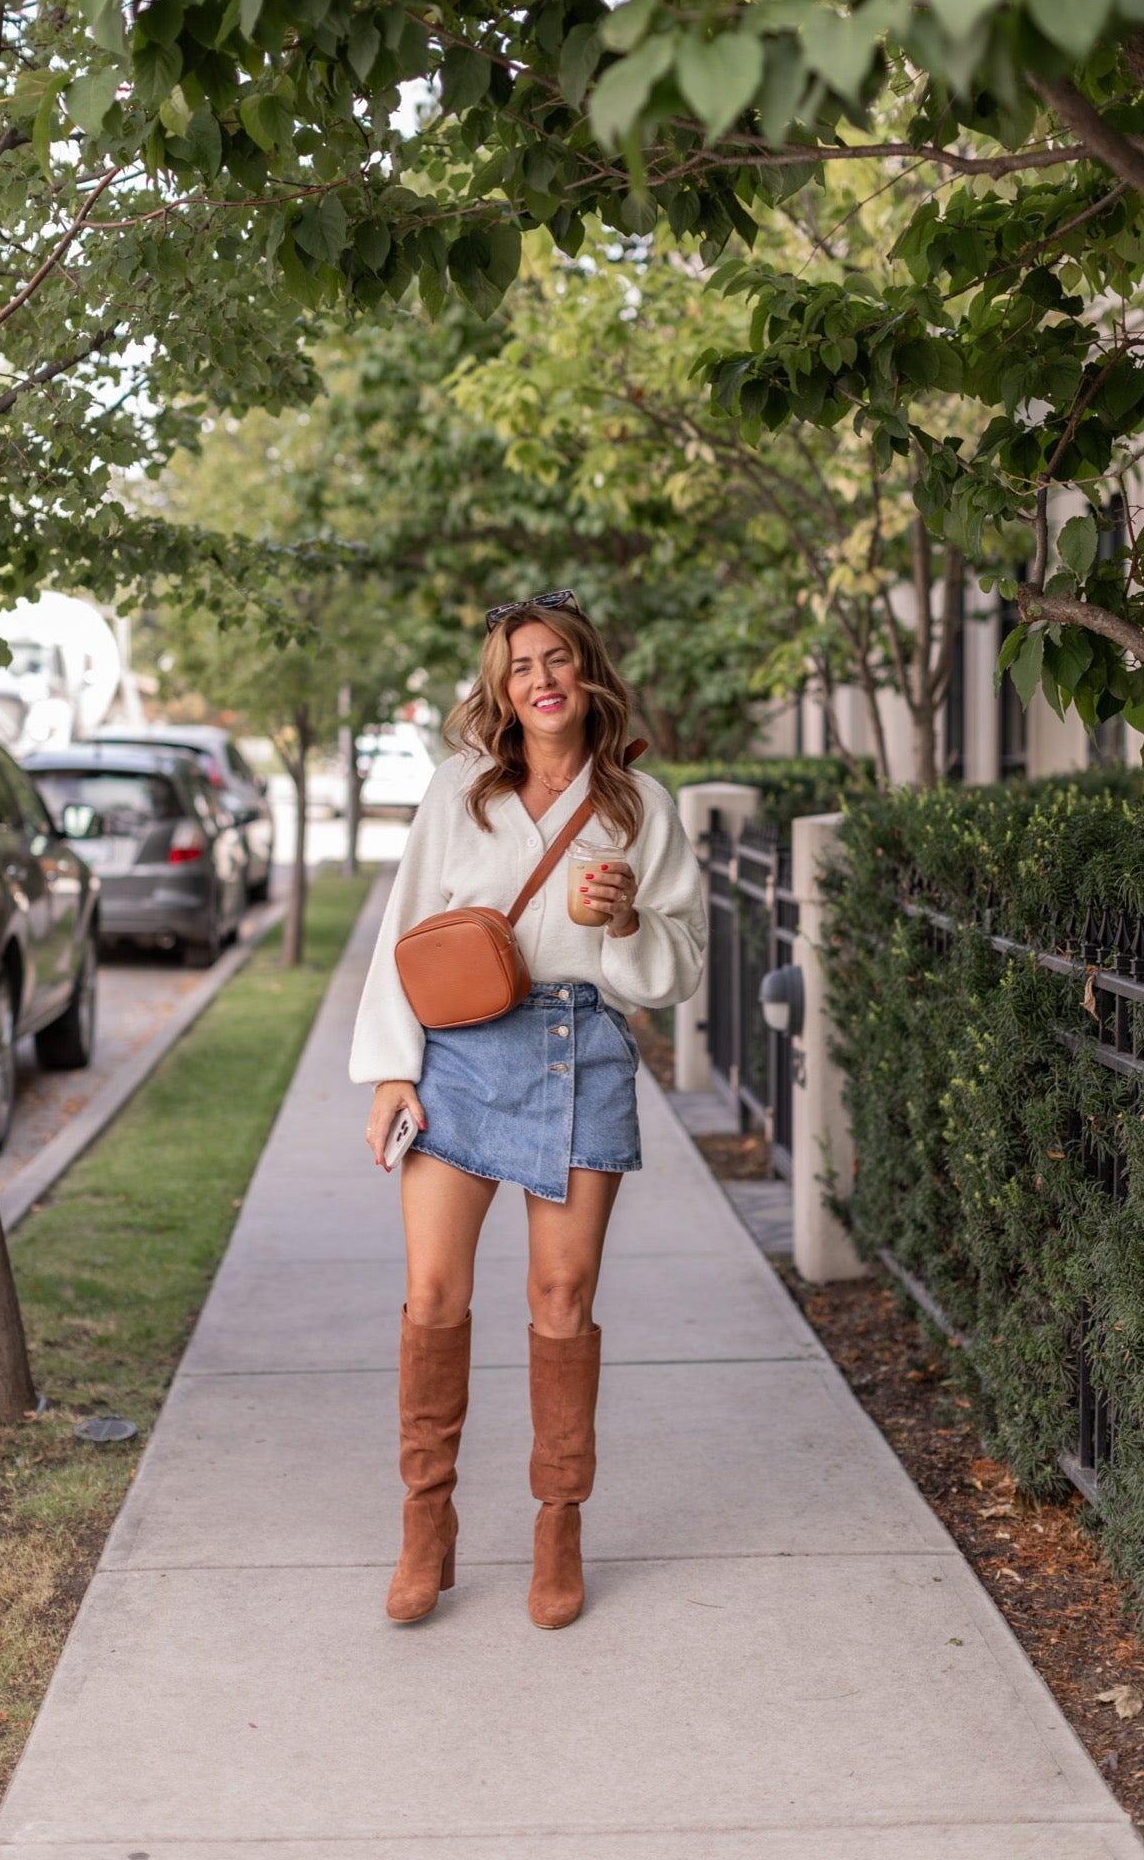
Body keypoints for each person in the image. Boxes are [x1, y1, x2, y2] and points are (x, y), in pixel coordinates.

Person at [350, 590, 706, 1629]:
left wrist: (630, 917)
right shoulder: (460, 788)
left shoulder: (641, 804)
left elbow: (675, 969)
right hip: (458, 1053)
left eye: (555, 658)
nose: (540, 678)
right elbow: (404, 926)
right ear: (500, 689)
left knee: (561, 1292)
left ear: (586, 671)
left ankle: (559, 1521)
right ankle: (428, 1522)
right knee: (433, 1292)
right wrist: (391, 1068)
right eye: (519, 666)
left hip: (579, 1047)